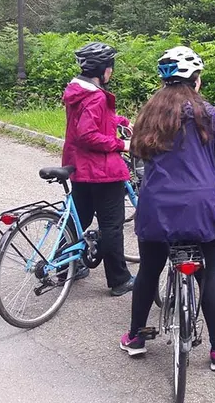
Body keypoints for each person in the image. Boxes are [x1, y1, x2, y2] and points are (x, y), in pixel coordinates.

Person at [119, 46, 215, 371]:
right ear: (196, 80)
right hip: (202, 207)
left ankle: (137, 338)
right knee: (209, 274)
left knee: (149, 270)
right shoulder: (210, 114)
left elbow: (138, 154)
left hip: (157, 207)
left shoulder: (149, 114)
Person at [62, 42, 134, 296]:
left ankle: (67, 268)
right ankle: (119, 280)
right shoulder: (95, 95)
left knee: (78, 219)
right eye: (110, 68)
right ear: (102, 69)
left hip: (78, 168)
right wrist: (121, 144)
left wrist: (121, 122)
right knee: (111, 225)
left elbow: (91, 120)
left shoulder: (78, 90)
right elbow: (88, 134)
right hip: (102, 171)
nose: (111, 72)